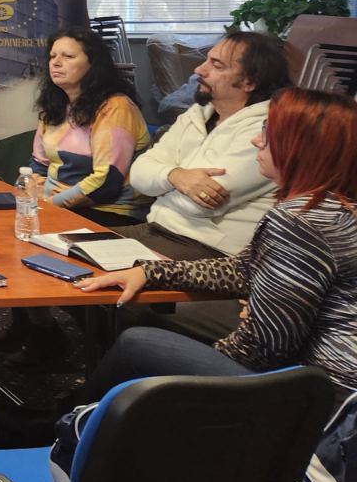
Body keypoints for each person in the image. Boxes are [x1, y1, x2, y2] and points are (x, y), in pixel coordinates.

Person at [76, 88, 357, 399]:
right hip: (322, 377)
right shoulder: (334, 207)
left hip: (328, 391)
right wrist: (152, 272)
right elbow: (243, 269)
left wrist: (210, 357)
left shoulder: (298, 221)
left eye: (268, 132)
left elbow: (266, 347)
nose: (256, 140)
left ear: (301, 148)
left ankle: (73, 423)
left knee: (138, 344)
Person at [125, 31, 290, 259]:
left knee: (87, 268)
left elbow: (199, 204)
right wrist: (175, 176)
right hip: (157, 230)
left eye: (217, 65)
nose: (199, 70)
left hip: (209, 250)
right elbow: (138, 176)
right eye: (207, 60)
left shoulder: (266, 131)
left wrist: (161, 183)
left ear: (250, 81)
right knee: (74, 244)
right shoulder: (198, 113)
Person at [31, 27, 151, 226]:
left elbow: (107, 181)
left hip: (107, 211)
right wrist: (29, 195)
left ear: (93, 64)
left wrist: (49, 205)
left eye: (68, 56)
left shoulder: (115, 107)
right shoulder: (55, 104)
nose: (56, 62)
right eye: (52, 56)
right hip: (54, 205)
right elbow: (38, 164)